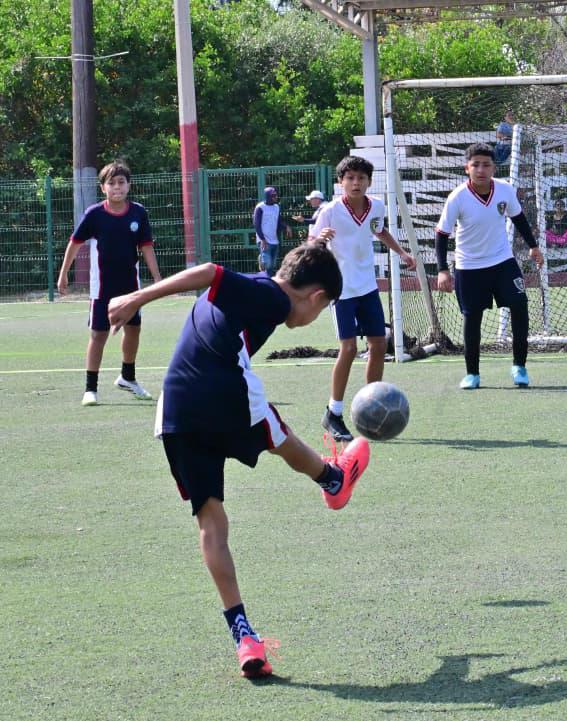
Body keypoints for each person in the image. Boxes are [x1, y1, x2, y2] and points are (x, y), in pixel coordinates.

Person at [106, 242, 371, 678]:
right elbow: (210, 271)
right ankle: (332, 481)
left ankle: (244, 636)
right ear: (317, 297)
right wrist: (137, 297)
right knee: (273, 428)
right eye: (321, 312)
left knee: (212, 521)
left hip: (175, 408)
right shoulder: (271, 295)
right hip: (221, 389)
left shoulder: (254, 294)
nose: (311, 320)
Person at [312, 156, 417, 442]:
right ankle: (333, 412)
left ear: (369, 182)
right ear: (340, 183)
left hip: (367, 288)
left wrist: (402, 253)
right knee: (348, 349)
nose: (355, 183)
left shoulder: (377, 207)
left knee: (379, 344)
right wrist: (320, 238)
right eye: (350, 178)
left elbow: (379, 230)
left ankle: (372, 404)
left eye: (361, 178)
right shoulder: (331, 210)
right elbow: (310, 243)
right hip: (342, 291)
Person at [434, 142, 545, 389]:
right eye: (476, 165)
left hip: (502, 262)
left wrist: (533, 246)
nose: (481, 169)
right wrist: (442, 270)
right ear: (467, 168)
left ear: (494, 168)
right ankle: (472, 374)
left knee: (519, 306)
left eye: (486, 165)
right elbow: (442, 234)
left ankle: (519, 367)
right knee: (471, 318)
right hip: (468, 267)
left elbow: (519, 219)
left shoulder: (505, 190)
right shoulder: (457, 197)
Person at [56, 160, 162, 406]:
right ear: (103, 188)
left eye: (121, 182)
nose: (117, 187)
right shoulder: (95, 214)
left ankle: (128, 377)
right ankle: (90, 388)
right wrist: (64, 274)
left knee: (134, 329)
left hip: (130, 287)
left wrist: (156, 277)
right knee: (98, 335)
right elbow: (75, 243)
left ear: (129, 185)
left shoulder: (138, 212)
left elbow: (146, 246)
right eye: (111, 183)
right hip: (102, 288)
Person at [254, 186, 290, 276]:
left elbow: (278, 222)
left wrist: (286, 227)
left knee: (272, 265)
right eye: (273, 195)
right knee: (268, 264)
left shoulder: (276, 207)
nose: (275, 197)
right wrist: (262, 239)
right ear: (267, 196)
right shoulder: (260, 207)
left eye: (275, 195)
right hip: (264, 240)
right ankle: (266, 279)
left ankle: (267, 277)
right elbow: (257, 224)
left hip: (274, 240)